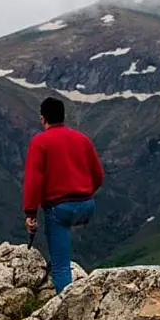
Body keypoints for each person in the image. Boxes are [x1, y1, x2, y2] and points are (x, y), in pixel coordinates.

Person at [22, 97, 104, 294]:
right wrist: (85, 193)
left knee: (61, 266)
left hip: (59, 208)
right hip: (87, 205)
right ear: (63, 116)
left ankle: (65, 310)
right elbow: (99, 175)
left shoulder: (40, 142)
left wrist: (30, 214)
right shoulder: (82, 139)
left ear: (43, 119)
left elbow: (34, 182)